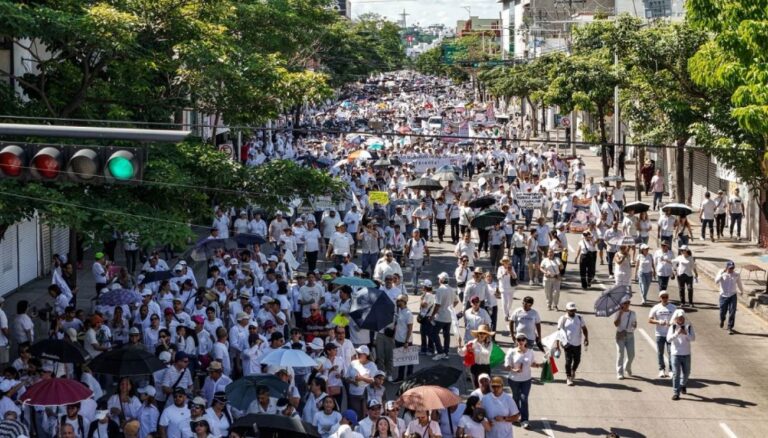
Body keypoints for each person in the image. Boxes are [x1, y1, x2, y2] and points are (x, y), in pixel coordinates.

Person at [504, 333, 544, 429]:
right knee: (516, 398)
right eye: (519, 339)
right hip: (514, 380)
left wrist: (540, 365)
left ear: (526, 341)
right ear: (516, 341)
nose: (521, 341)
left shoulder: (530, 352)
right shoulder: (511, 352)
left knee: (524, 398)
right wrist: (514, 370)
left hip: (526, 380)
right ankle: (515, 417)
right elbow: (506, 366)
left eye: (523, 339)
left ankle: (525, 420)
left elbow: (532, 363)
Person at [554, 302, 589, 386]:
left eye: (574, 310)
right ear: (566, 310)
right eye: (570, 310)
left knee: (577, 360)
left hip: (577, 343)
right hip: (567, 343)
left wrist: (586, 338)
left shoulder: (579, 317)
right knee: (568, 361)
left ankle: (573, 370)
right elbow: (558, 332)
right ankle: (568, 377)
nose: (572, 312)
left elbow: (584, 329)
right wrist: (557, 344)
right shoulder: (563, 319)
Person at [667, 309, 695, 400]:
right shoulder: (673, 327)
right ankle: (676, 392)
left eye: (682, 318)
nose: (681, 319)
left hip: (686, 353)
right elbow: (668, 339)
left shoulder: (689, 326)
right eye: (679, 318)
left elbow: (693, 338)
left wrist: (686, 334)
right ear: (675, 318)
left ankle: (682, 384)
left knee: (687, 372)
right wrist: (677, 333)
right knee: (676, 374)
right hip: (675, 354)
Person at [648, 290, 676, 378]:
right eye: (663, 297)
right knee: (660, 352)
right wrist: (659, 321)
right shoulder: (656, 307)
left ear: (668, 297)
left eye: (666, 297)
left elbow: (678, 319)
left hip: (670, 334)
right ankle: (661, 369)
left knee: (671, 352)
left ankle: (671, 370)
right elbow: (650, 320)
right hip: (659, 333)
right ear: (660, 298)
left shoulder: (673, 307)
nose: (665, 299)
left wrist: (671, 323)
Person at [458, 323, 494, 388]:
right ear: (478, 334)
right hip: (475, 367)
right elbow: (461, 353)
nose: (482, 335)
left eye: (484, 333)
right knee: (476, 387)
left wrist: (474, 350)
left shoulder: (489, 344)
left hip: (485, 367)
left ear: (486, 335)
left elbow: (487, 353)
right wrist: (460, 345)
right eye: (480, 333)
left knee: (485, 388)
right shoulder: (471, 343)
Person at [715, 260, 744, 335]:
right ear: (727, 267)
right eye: (730, 268)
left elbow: (739, 283)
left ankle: (730, 327)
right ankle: (722, 320)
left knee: (732, 312)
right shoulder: (721, 272)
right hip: (723, 295)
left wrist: (741, 290)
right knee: (722, 312)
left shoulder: (736, 274)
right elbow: (716, 281)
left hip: (732, 295)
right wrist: (722, 274)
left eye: (732, 268)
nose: (731, 269)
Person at [614, 297, 637, 380]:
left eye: (628, 303)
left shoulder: (633, 313)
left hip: (630, 335)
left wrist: (634, 325)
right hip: (620, 335)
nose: (627, 304)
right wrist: (620, 314)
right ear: (621, 304)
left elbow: (635, 324)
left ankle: (627, 367)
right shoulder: (618, 313)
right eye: (625, 303)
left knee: (631, 355)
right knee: (621, 354)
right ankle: (619, 372)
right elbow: (616, 324)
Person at [393, 294, 414, 382]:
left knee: (409, 361)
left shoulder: (408, 314)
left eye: (399, 301)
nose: (397, 302)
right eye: (397, 300)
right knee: (401, 361)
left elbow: (410, 329)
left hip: (405, 341)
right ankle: (401, 377)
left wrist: (406, 341)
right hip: (398, 339)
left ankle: (409, 379)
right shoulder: (400, 311)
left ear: (404, 302)